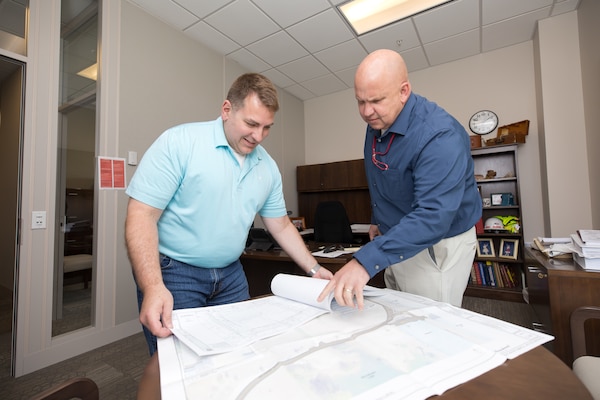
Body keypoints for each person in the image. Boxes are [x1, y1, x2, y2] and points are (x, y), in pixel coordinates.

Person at [125, 73, 332, 397]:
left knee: (236, 362)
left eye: (266, 128)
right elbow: (141, 215)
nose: (258, 135)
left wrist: (315, 269)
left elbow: (280, 224)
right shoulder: (179, 142)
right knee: (181, 373)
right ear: (226, 109)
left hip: (231, 275)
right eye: (251, 124)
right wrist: (152, 286)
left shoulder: (267, 167)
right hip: (175, 273)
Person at [319, 49, 482, 309]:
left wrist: (363, 262)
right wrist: (379, 219)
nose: (366, 111)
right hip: (396, 236)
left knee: (428, 322)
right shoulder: (378, 120)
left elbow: (433, 217)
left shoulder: (439, 136)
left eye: (375, 101)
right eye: (360, 101)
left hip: (435, 243)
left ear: (404, 91)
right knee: (399, 312)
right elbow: (382, 173)